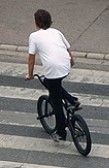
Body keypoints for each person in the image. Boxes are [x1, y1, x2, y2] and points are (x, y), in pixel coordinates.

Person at [25, 9, 80, 141]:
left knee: (56, 102)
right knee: (53, 85)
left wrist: (30, 74)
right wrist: (71, 61)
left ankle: (61, 133)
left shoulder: (34, 36)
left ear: (36, 22)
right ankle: (72, 100)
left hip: (53, 69)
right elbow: (67, 49)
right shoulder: (57, 32)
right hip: (65, 64)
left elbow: (31, 58)